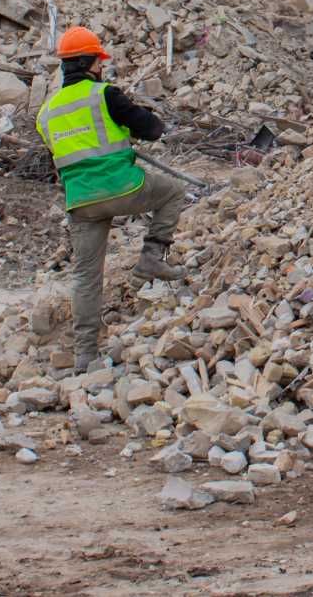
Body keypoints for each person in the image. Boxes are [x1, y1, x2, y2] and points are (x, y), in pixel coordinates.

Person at [35, 25, 192, 371]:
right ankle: (154, 255)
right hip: (124, 188)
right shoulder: (104, 94)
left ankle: (84, 354)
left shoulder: (46, 114)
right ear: (92, 63)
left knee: (86, 277)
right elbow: (152, 129)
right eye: (99, 61)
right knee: (174, 192)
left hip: (81, 202)